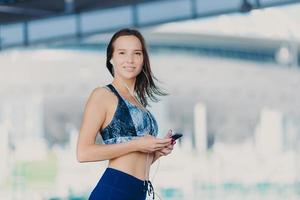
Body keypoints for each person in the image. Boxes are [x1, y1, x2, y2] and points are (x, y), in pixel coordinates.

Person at [76, 28, 176, 200]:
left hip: (137, 191)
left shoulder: (137, 101)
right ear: (111, 58)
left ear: (143, 59)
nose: (130, 60)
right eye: (122, 53)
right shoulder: (103, 95)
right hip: (115, 190)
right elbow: (83, 153)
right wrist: (137, 144)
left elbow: (134, 161)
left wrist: (157, 153)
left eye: (137, 53)